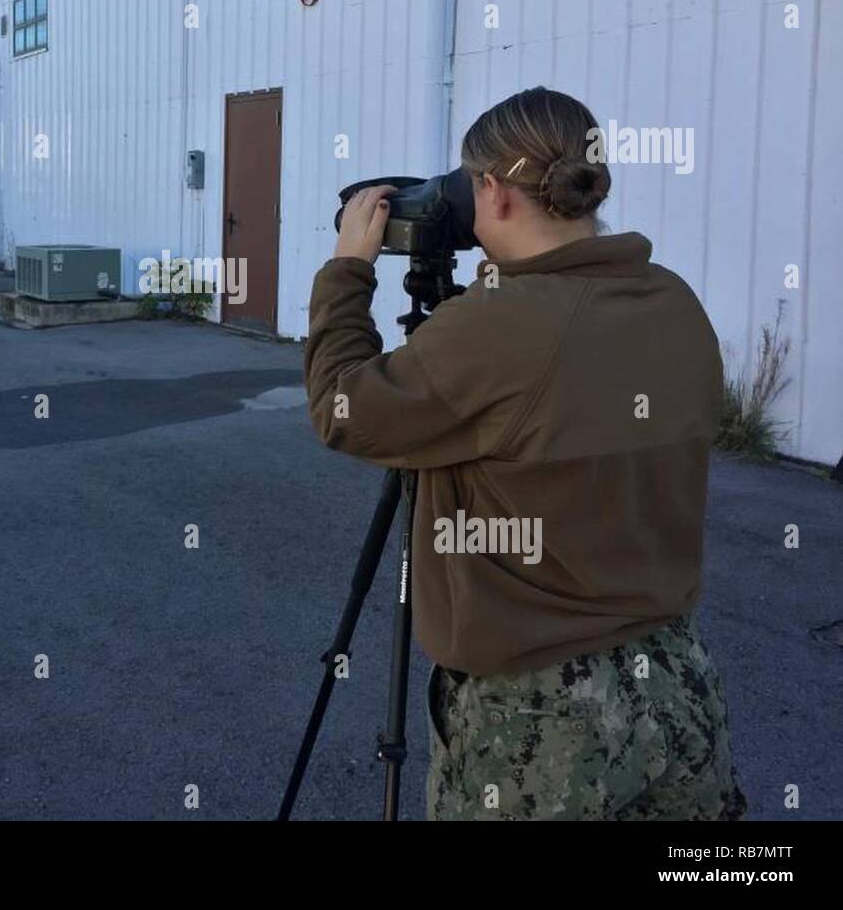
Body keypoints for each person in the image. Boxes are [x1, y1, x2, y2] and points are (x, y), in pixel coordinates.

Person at [304, 87, 746, 821]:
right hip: (679, 681)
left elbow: (341, 409)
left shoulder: (498, 326)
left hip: (542, 717)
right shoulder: (673, 299)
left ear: (494, 193)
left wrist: (348, 268)